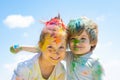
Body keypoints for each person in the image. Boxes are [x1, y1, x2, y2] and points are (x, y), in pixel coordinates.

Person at [11, 16, 104, 80]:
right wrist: (22, 48)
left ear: (93, 41)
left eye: (83, 38)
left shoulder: (95, 62)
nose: (77, 43)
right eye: (73, 39)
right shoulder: (70, 56)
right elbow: (41, 49)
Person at [11, 15, 68, 80]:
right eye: (50, 47)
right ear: (41, 46)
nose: (56, 53)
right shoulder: (25, 69)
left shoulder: (60, 71)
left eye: (61, 47)